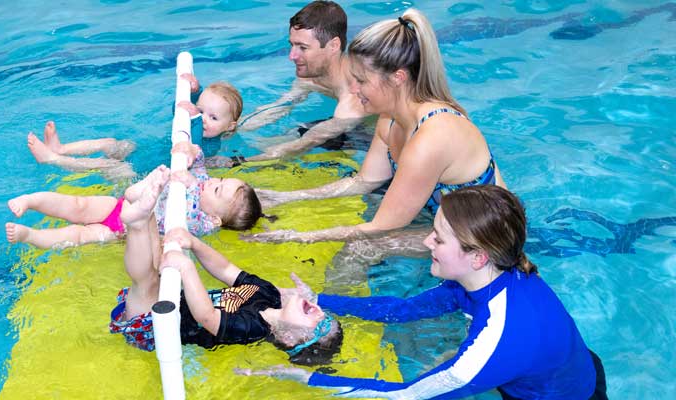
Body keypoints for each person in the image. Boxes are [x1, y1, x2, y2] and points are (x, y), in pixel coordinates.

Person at [238, 185, 608, 399]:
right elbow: (399, 310)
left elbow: (401, 396)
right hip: (564, 369)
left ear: (477, 256)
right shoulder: (491, 276)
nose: (428, 241)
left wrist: (307, 378)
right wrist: (319, 300)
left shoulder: (495, 341)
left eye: (439, 238)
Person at [246, 8, 506, 244]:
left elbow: (382, 228)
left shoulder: (430, 138)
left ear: (397, 78)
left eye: (360, 80)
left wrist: (297, 237)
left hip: (483, 237)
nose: (353, 89)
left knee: (363, 249)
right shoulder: (389, 118)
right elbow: (364, 182)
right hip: (443, 225)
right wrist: (283, 197)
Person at [108, 168, 343, 365]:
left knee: (146, 283)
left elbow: (208, 317)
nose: (321, 312)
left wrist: (187, 269)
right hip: (173, 301)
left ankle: (138, 223)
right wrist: (195, 244)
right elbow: (227, 269)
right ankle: (144, 209)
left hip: (153, 329)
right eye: (327, 316)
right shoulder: (268, 293)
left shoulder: (252, 329)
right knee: (157, 259)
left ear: (291, 339)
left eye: (321, 325)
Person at [5, 143, 261, 249]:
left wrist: (192, 182)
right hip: (120, 206)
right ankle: (31, 200)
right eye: (222, 179)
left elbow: (193, 202)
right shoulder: (205, 182)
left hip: (124, 232)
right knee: (78, 205)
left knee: (79, 235)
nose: (214, 182)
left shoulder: (202, 224)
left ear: (216, 219)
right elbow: (201, 164)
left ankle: (31, 236)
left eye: (218, 189)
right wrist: (192, 151)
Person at [26, 73, 243, 178]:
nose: (204, 118)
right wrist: (194, 92)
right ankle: (61, 148)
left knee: (112, 166)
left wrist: (195, 117)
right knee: (112, 144)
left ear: (230, 126)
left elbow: (192, 144)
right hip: (143, 154)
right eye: (201, 111)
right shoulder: (198, 122)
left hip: (142, 175)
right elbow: (180, 112)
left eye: (213, 118)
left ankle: (52, 159)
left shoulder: (208, 144)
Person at [230, 0, 369, 163]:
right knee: (282, 137)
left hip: (366, 135)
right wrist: (229, 126)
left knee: (294, 141)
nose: (292, 56)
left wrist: (237, 162)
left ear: (333, 45)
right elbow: (279, 107)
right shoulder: (311, 74)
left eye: (303, 48)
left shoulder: (354, 96)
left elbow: (305, 144)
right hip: (334, 123)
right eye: (292, 45)